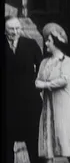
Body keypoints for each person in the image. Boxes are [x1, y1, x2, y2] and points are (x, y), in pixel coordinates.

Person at [35, 23, 70, 163]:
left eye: (49, 41)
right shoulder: (44, 62)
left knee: (64, 137)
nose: (46, 43)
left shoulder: (66, 61)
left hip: (61, 105)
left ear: (56, 42)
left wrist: (45, 84)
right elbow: (37, 80)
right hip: (47, 105)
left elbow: (64, 80)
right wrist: (41, 84)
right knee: (48, 141)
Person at [5, 16, 43, 163]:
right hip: (8, 104)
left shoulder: (31, 44)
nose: (14, 32)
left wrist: (36, 86)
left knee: (34, 143)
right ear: (5, 30)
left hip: (29, 103)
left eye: (17, 28)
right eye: (11, 29)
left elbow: (42, 67)